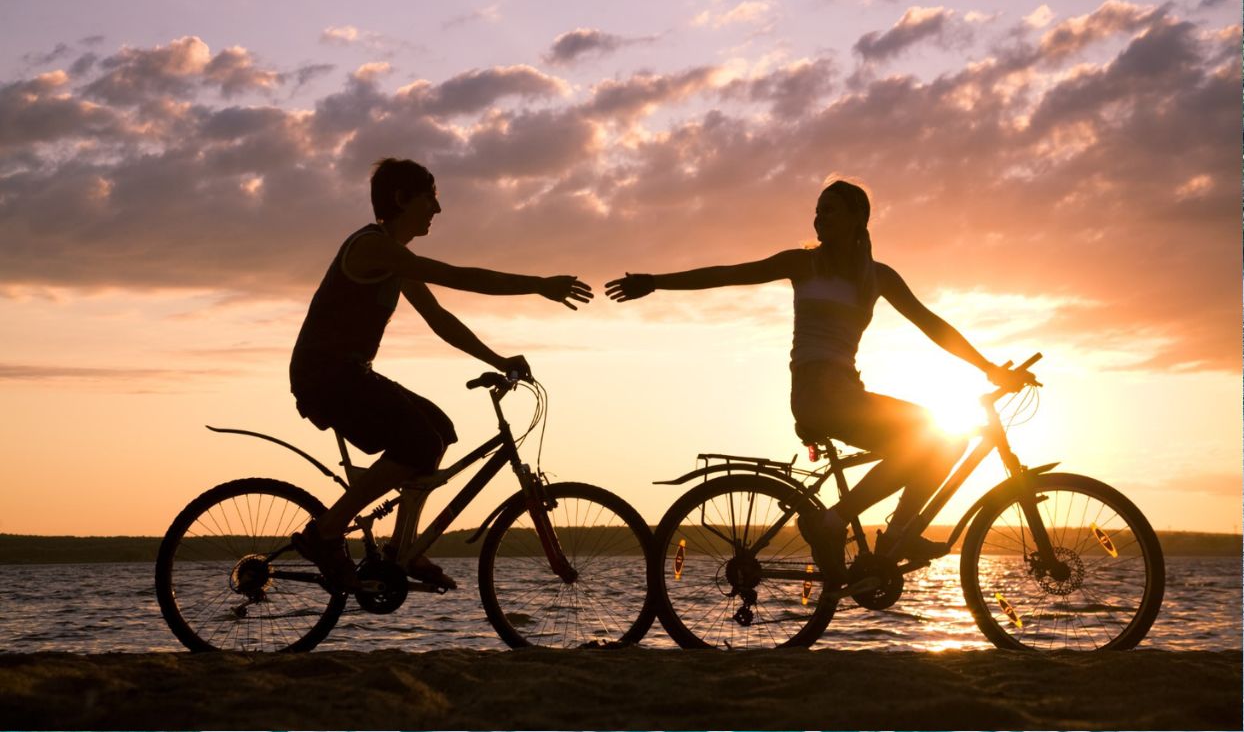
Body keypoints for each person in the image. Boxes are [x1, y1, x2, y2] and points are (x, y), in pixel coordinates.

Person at [605, 179, 1029, 583]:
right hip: (816, 393)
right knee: (941, 437)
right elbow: (728, 273)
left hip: (846, 392)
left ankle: (895, 534)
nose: (818, 218)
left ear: (857, 219)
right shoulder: (803, 263)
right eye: (816, 211)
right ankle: (835, 521)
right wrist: (656, 282)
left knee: (938, 441)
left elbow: (933, 326)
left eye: (829, 210)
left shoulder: (876, 277)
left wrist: (989, 368)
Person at [289, 157, 592, 591]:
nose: (438, 208)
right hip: (325, 375)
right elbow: (457, 277)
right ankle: (326, 532)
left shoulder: (395, 259)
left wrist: (498, 360)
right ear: (401, 199)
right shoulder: (373, 248)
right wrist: (539, 284)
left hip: (348, 372)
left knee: (439, 429)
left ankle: (400, 548)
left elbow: (439, 319)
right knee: (419, 441)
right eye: (430, 197)